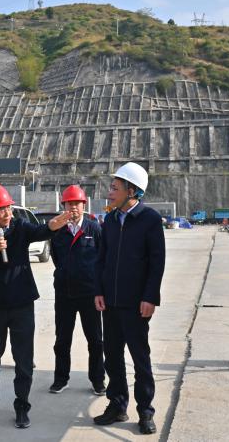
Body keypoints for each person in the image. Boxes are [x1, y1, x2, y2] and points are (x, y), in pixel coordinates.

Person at [0, 183, 70, 429]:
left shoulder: (20, 227)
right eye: (2, 209)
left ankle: (22, 405)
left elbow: (40, 231)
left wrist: (52, 226)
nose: (8, 213)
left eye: (9, 208)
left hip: (21, 303)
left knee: (23, 359)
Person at [93, 162, 165, 435]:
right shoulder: (110, 220)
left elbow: (157, 262)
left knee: (140, 358)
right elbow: (101, 259)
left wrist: (150, 297)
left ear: (131, 191)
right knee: (112, 357)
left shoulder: (149, 219)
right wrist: (99, 291)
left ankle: (145, 411)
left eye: (115, 188)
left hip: (136, 304)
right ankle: (117, 405)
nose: (109, 192)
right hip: (110, 303)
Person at [49, 185, 105, 395]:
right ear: (63, 205)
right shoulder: (58, 230)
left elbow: (102, 260)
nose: (73, 207)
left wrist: (99, 289)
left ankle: (97, 380)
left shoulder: (94, 229)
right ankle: (60, 379)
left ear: (84, 205)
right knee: (62, 339)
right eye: (69, 204)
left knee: (95, 340)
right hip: (64, 294)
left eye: (77, 203)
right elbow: (55, 258)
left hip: (90, 294)